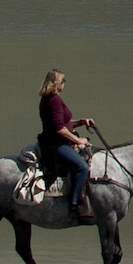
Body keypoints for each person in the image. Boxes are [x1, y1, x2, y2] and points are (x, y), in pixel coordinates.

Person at [37, 70, 98, 224]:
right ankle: (75, 205)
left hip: (53, 141)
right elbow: (59, 129)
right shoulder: (54, 100)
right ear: (58, 83)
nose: (64, 85)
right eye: (63, 82)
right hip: (55, 145)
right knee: (82, 167)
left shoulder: (47, 98)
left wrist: (80, 122)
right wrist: (78, 141)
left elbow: (62, 123)